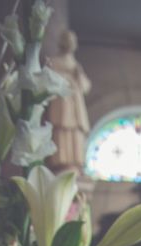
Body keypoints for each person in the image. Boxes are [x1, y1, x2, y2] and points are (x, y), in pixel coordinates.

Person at [46, 30, 91, 174]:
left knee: (75, 131)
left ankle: (75, 161)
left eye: (73, 40)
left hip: (75, 105)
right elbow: (48, 81)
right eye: (68, 40)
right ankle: (61, 161)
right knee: (62, 130)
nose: (71, 43)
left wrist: (77, 76)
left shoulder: (75, 65)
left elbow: (85, 86)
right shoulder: (54, 62)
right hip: (61, 104)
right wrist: (66, 78)